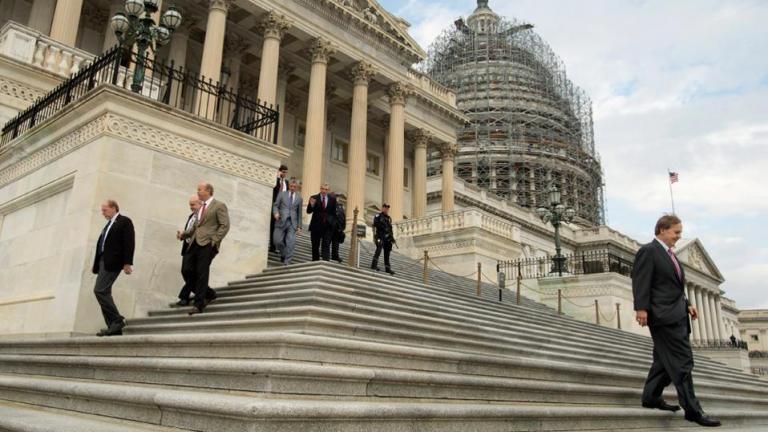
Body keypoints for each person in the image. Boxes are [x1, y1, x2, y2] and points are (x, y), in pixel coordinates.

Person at [632, 214, 720, 427]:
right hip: (663, 316)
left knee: (663, 362)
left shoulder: (671, 256)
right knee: (682, 362)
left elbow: (673, 286)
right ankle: (693, 410)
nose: (679, 237)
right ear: (663, 229)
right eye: (676, 232)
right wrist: (641, 308)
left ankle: (651, 397)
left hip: (677, 313)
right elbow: (640, 279)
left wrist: (687, 303)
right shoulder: (649, 251)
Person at [182, 182, 230, 315]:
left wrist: (214, 241)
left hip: (207, 244)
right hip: (194, 243)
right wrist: (184, 234)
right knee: (186, 270)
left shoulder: (219, 206)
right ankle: (209, 293)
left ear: (208, 191)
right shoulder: (201, 207)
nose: (198, 192)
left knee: (201, 272)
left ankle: (199, 304)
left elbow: (224, 225)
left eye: (200, 189)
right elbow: (196, 226)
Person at [91, 199, 134, 337]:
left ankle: (117, 320)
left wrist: (127, 263)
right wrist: (96, 264)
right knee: (104, 291)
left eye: (105, 209)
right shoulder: (108, 225)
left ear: (114, 208)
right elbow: (102, 245)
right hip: (104, 262)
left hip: (114, 262)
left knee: (99, 290)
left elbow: (129, 243)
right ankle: (112, 327)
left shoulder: (124, 221)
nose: (102, 212)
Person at [272, 180, 303, 265]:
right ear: (289, 186)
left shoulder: (299, 198)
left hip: (292, 223)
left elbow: (299, 213)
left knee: (291, 242)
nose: (292, 188)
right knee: (277, 241)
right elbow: (275, 205)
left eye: (294, 187)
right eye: (291, 186)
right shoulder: (282, 194)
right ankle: (284, 253)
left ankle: (287, 261)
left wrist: (299, 227)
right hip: (280, 220)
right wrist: (276, 213)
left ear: (297, 187)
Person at [306, 183, 336, 261]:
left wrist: (332, 223)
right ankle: (315, 261)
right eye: (323, 189)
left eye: (326, 189)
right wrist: (311, 205)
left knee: (326, 244)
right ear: (320, 189)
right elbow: (308, 211)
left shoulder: (332, 199)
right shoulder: (314, 198)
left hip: (327, 226)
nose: (324, 191)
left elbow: (334, 213)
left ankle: (325, 262)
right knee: (315, 245)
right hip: (316, 226)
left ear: (328, 190)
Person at [370, 203, 395, 275]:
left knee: (387, 254)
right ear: (382, 208)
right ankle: (373, 265)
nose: (386, 209)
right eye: (385, 207)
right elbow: (375, 224)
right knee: (378, 251)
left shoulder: (389, 218)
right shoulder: (378, 216)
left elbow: (390, 229)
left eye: (387, 208)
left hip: (387, 238)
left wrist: (392, 238)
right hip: (380, 236)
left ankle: (388, 268)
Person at [270, 165, 289, 252]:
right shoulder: (276, 180)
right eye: (283, 172)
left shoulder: (287, 183)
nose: (284, 174)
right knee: (272, 226)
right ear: (280, 171)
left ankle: (277, 245)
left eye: (286, 172)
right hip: (274, 206)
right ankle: (272, 246)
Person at [331, 196, 346, 263]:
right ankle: (324, 253)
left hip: (338, 229)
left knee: (336, 243)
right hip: (330, 226)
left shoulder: (341, 208)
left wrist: (342, 228)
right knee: (327, 241)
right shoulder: (330, 205)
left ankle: (335, 256)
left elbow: (343, 218)